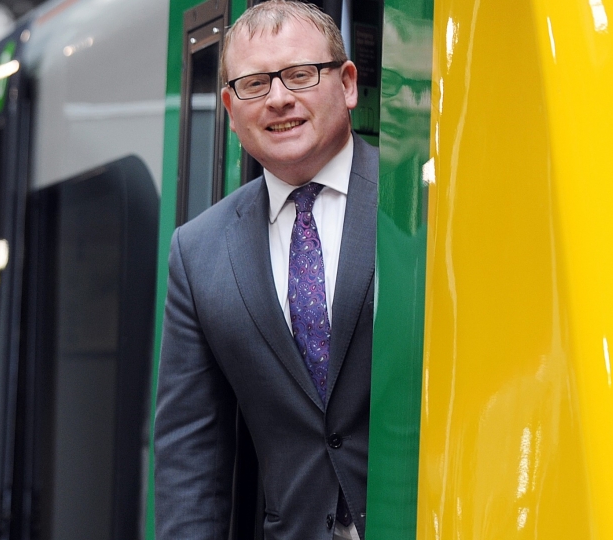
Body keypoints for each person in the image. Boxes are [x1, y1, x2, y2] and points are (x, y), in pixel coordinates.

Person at [154, 1, 378, 539]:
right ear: (230, 110)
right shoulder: (197, 251)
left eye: (301, 75)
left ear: (347, 84)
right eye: (254, 84)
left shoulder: (424, 204)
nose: (279, 98)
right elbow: (190, 452)